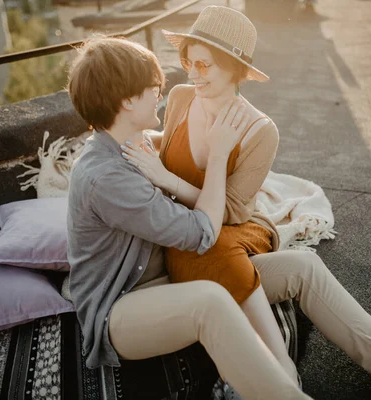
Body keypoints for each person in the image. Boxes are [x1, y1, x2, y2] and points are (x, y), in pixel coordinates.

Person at [121, 5, 371, 400]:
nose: (191, 73)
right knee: (303, 264)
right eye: (188, 60)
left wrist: (169, 178)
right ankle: (291, 377)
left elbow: (231, 215)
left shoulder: (258, 130)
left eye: (204, 65)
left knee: (247, 249)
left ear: (233, 68)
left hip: (230, 236)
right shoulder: (181, 98)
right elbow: (168, 146)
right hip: (194, 243)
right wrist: (137, 144)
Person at [65, 35, 312, 400]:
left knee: (301, 267)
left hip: (160, 278)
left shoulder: (131, 143)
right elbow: (203, 231)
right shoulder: (107, 178)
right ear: (129, 100)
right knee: (210, 300)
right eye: (153, 88)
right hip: (119, 310)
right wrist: (217, 154)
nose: (161, 95)